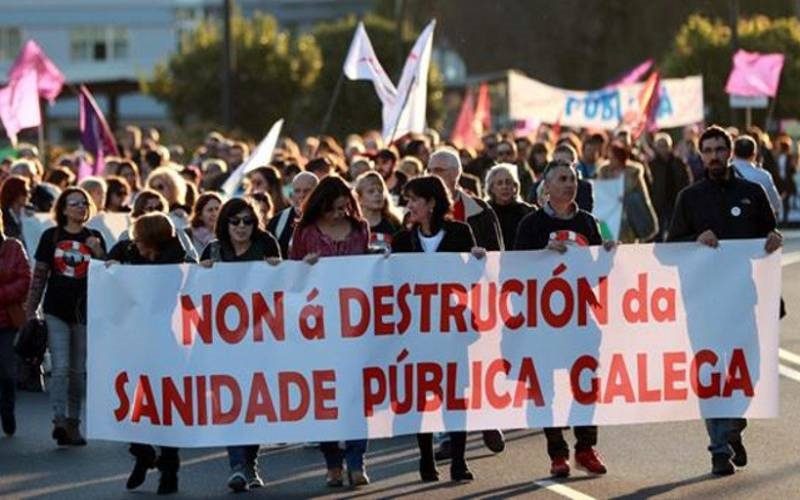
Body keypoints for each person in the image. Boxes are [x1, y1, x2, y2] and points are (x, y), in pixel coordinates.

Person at [667, 125, 781, 476]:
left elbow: (768, 236)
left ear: (730, 152)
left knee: (749, 371)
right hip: (704, 303)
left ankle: (733, 427)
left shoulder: (753, 192)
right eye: (708, 150)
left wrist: (774, 239)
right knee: (712, 375)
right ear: (700, 155)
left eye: (720, 149)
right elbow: (669, 251)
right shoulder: (689, 197)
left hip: (745, 300)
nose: (714, 156)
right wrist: (694, 239)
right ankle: (718, 449)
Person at [514, 160, 612, 478]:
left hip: (582, 320)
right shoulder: (531, 225)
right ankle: (557, 452)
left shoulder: (588, 222)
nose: (569, 184)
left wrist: (609, 255)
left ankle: (585, 447)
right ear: (547, 186)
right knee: (545, 388)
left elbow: (598, 274)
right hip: (542, 322)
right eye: (562, 179)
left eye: (573, 179)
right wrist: (541, 253)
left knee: (585, 383)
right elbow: (514, 272)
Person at [390, 175, 485, 483]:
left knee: (454, 395)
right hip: (416, 331)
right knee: (419, 397)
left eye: (414, 199)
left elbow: (471, 281)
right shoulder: (402, 240)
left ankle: (459, 460)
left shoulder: (460, 232)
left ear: (431, 203)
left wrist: (479, 262)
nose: (409, 206)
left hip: (452, 328)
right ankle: (426, 459)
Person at [289, 176, 371, 488]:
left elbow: (368, 270)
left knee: (354, 394)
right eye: (335, 208)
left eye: (345, 207)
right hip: (318, 327)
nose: (341, 214)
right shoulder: (305, 231)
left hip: (355, 325)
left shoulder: (360, 228)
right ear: (321, 206)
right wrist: (304, 267)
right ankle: (332, 464)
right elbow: (293, 281)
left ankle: (356, 460)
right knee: (325, 396)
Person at [106, 213, 195, 495]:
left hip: (166, 344)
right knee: (131, 404)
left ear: (155, 242)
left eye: (142, 242)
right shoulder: (127, 251)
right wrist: (109, 266)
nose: (137, 246)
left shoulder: (177, 261)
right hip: (131, 343)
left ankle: (170, 470)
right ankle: (141, 452)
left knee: (166, 408)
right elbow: (106, 269)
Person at [196, 198, 281, 492]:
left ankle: (250, 463)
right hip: (224, 342)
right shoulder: (213, 250)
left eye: (247, 221)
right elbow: (195, 296)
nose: (242, 226)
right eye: (235, 221)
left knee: (253, 404)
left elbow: (281, 291)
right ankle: (237, 466)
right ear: (225, 224)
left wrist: (277, 269)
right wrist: (200, 273)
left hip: (260, 339)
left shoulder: (266, 246)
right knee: (231, 403)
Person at [427, 146, 506, 457]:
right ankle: (449, 433)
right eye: (431, 169)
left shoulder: (479, 212)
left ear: (457, 174)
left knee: (479, 363)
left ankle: (487, 417)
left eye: (441, 170)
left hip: (474, 301)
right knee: (447, 370)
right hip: (436, 306)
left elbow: (497, 255)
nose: (435, 176)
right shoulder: (418, 211)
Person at [24, 187, 106, 446]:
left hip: (83, 312)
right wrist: (30, 309)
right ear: (63, 209)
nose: (80, 207)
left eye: (84, 203)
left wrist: (99, 253)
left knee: (78, 371)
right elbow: (40, 275)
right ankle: (59, 419)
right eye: (74, 203)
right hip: (56, 310)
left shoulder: (94, 237)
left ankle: (74, 423)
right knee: (59, 368)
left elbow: (107, 275)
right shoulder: (51, 236)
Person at [0, 213, 31, 436]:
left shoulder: (13, 247)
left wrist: (1, 295)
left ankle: (7, 409)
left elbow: (24, 280)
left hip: (7, 320)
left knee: (6, 371)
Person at [597, 140, 657, 243]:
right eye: (610, 157)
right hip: (610, 216)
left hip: (629, 217)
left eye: (614, 158)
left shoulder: (633, 172)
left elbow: (643, 197)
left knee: (628, 247)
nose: (611, 160)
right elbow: (600, 195)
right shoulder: (604, 172)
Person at [648, 133, 692, 241]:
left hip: (675, 202)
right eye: (660, 145)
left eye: (665, 145)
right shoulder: (651, 165)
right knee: (659, 233)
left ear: (670, 146)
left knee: (675, 232)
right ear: (656, 148)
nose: (663, 148)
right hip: (658, 203)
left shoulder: (679, 162)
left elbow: (687, 180)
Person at [267, 171, 318, 258]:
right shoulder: (278, 221)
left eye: (307, 191)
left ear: (317, 192)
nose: (302, 195)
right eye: (297, 191)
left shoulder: (329, 219)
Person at [731, 135, 782, 219]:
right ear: (754, 154)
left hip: (729, 225)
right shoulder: (764, 175)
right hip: (755, 225)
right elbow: (776, 204)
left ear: (733, 152)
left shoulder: (724, 173)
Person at [485, 163, 534, 248]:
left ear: (515, 187)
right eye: (500, 183)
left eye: (508, 182)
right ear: (491, 188)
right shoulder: (483, 213)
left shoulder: (528, 212)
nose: (505, 187)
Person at [354, 171, 402, 252]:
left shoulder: (394, 224)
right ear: (359, 198)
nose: (377, 194)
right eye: (371, 191)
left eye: (380, 191)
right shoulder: (353, 226)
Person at [0, 175, 30, 245]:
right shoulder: (3, 216)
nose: (28, 195)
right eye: (25, 192)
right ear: (15, 193)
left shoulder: (31, 213)